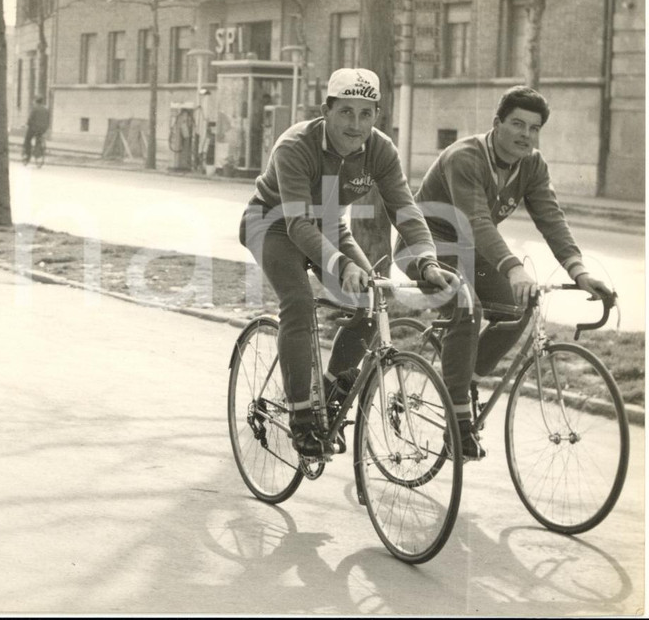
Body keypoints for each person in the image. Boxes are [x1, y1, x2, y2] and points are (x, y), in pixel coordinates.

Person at [239, 68, 458, 457]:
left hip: (327, 225)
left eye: (365, 114)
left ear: (376, 116)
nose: (355, 125)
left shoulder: (380, 150)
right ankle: (301, 416)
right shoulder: (295, 145)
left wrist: (427, 259)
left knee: (372, 301)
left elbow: (406, 210)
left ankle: (329, 393)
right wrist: (342, 265)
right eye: (345, 112)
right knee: (298, 303)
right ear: (326, 111)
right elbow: (297, 224)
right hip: (273, 223)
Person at [396, 85, 614, 460]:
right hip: (426, 244)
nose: (525, 135)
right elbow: (477, 221)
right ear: (497, 124)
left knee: (520, 306)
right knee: (466, 306)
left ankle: (463, 383)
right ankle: (458, 421)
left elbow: (552, 219)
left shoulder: (532, 165)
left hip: (472, 249)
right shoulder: (465, 157)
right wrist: (513, 268)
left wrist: (579, 271)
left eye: (534, 128)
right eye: (517, 124)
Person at [23, 96, 50, 163]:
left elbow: (30, 119)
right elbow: (48, 120)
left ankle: (27, 155)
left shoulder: (34, 109)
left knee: (27, 140)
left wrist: (27, 124)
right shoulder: (46, 109)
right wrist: (45, 128)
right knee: (38, 139)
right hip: (43, 129)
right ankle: (38, 154)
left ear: (35, 101)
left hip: (34, 128)